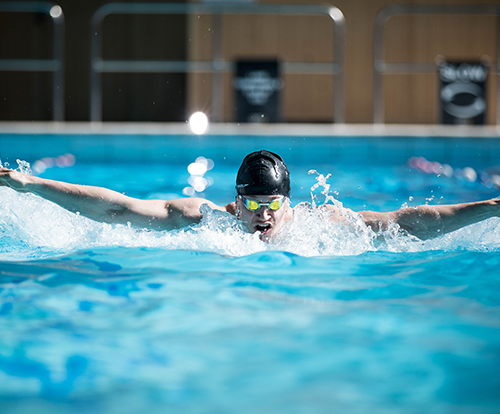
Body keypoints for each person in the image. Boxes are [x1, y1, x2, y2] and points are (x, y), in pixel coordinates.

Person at [0, 149, 498, 240]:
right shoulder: (205, 220)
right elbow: (116, 206)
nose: (263, 217)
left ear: (289, 203)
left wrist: (490, 207)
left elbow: (412, 221)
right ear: (236, 204)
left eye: (273, 205)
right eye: (254, 206)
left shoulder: (320, 225)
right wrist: (30, 183)